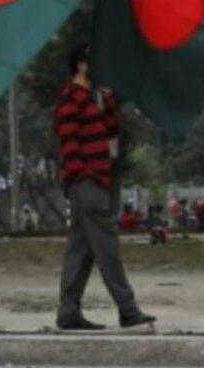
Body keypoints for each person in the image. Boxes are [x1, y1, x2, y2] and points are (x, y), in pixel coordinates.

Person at [54, 43, 154, 331]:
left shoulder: (91, 98)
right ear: (82, 66)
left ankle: (68, 311)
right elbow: (68, 139)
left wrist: (109, 102)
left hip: (98, 180)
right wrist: (79, 175)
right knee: (107, 247)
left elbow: (110, 131)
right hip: (88, 182)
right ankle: (128, 309)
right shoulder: (72, 97)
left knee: (80, 250)